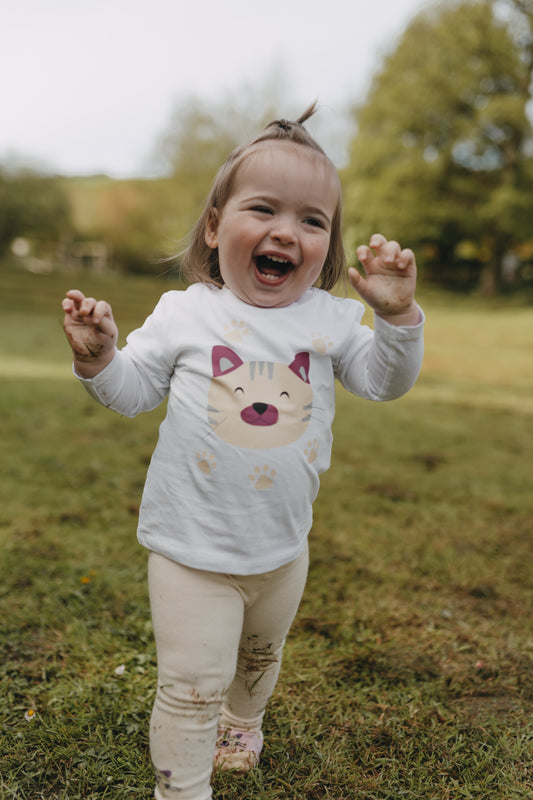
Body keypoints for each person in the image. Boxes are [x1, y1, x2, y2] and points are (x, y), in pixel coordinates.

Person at [61, 104, 424, 800]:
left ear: (327, 245)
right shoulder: (186, 313)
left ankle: (244, 719)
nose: (286, 232)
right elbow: (133, 392)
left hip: (283, 550)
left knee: (259, 658)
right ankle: (182, 787)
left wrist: (397, 319)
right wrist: (101, 358)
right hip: (190, 553)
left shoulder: (330, 321)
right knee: (190, 684)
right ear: (214, 226)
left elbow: (384, 382)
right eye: (263, 209)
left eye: (312, 221)